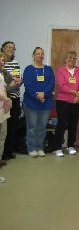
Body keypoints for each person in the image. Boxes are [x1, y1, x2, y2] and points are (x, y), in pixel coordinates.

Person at [23, 47, 55, 158]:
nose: (40, 56)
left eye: (42, 54)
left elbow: (51, 84)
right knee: (32, 127)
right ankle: (31, 149)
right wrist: (37, 95)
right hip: (31, 102)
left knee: (42, 127)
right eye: (38, 54)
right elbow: (27, 85)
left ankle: (40, 147)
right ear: (34, 55)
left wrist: (44, 94)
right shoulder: (28, 69)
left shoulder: (48, 69)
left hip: (45, 102)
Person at [53, 51, 79, 157]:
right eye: (70, 58)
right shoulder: (61, 71)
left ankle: (71, 146)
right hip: (63, 101)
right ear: (65, 59)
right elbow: (62, 86)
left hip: (77, 101)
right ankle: (57, 147)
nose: (72, 60)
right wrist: (75, 92)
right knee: (61, 124)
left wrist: (78, 95)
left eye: (74, 59)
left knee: (73, 124)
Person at [1, 41, 23, 160]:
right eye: (8, 47)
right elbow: (4, 85)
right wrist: (12, 85)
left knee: (13, 126)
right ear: (3, 48)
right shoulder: (1, 63)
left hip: (15, 98)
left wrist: (20, 82)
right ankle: (2, 153)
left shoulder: (15, 63)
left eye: (13, 48)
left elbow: (17, 80)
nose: (10, 49)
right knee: (3, 127)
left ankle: (9, 152)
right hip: (4, 99)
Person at [0, 52, 12, 181]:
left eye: (3, 60)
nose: (2, 62)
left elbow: (4, 90)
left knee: (2, 137)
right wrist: (6, 99)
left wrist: (7, 99)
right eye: (0, 60)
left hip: (3, 110)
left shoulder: (1, 75)